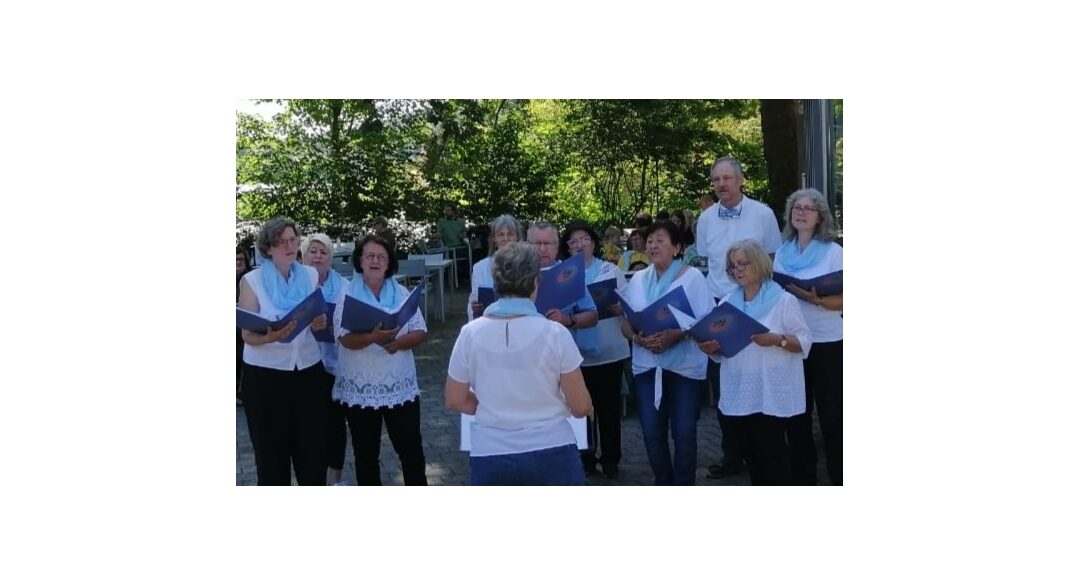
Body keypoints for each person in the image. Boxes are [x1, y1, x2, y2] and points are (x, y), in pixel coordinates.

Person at [445, 242, 594, 485]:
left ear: (496, 283)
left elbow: (454, 399)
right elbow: (579, 406)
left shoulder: (470, 333)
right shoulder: (556, 334)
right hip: (552, 449)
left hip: (491, 451)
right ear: (536, 282)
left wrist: (493, 408)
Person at [695, 156, 783, 480]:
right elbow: (708, 261)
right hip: (721, 301)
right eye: (716, 179)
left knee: (758, 371)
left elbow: (772, 257)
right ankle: (732, 453)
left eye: (728, 178)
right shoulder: (705, 219)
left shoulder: (763, 214)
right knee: (725, 381)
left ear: (741, 180)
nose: (722, 185)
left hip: (757, 299)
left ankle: (764, 448)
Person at [697, 240, 811, 485]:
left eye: (742, 264)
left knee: (773, 454)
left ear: (759, 263)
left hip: (771, 389)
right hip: (740, 390)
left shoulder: (783, 300)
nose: (737, 270)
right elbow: (721, 349)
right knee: (750, 455)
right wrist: (711, 348)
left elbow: (804, 341)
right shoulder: (727, 302)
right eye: (732, 266)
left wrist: (777, 340)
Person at [619, 220, 714, 485]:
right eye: (650, 241)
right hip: (647, 366)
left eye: (660, 240)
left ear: (677, 247)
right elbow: (626, 320)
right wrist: (636, 336)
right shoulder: (637, 279)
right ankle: (663, 481)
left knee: (684, 433)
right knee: (651, 432)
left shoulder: (693, 278)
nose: (652, 245)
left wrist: (677, 334)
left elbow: (706, 321)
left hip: (684, 367)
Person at [237, 217, 330, 486]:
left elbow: (317, 317)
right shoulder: (252, 281)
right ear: (268, 249)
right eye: (281, 242)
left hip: (308, 372)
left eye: (293, 240)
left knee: (313, 453)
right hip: (266, 379)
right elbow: (247, 335)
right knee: (271, 457)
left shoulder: (310, 275)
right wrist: (272, 336)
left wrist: (319, 321)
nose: (289, 246)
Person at [331, 235, 429, 485]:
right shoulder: (346, 293)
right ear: (360, 261)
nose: (375, 261)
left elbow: (420, 330)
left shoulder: (402, 292)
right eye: (370, 256)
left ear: (389, 264)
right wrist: (372, 336)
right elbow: (343, 339)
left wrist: (397, 343)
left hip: (399, 384)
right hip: (360, 387)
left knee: (411, 452)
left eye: (381, 257)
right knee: (366, 456)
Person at [773, 188, 843, 485]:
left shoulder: (834, 252)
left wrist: (814, 299)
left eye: (808, 208)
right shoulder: (782, 252)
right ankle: (804, 480)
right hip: (793, 342)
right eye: (796, 207)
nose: (801, 212)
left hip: (827, 340)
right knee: (796, 413)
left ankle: (840, 476)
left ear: (820, 217)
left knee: (833, 414)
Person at [560, 221, 630, 479]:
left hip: (609, 349)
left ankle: (611, 460)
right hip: (576, 354)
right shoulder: (563, 276)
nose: (579, 245)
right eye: (573, 241)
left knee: (609, 410)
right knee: (580, 410)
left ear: (594, 242)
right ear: (567, 248)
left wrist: (621, 308)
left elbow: (628, 304)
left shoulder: (610, 271)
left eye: (584, 239)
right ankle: (585, 458)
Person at [301, 233, 352, 486]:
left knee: (335, 424)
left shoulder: (343, 285)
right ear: (303, 255)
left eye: (324, 252)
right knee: (310, 426)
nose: (318, 256)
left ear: (331, 258)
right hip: (304, 364)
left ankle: (335, 480)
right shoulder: (296, 283)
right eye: (313, 251)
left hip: (335, 363)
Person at [527, 221, 600, 349]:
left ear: (557, 246)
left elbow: (593, 316)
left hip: (563, 353)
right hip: (528, 351)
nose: (542, 249)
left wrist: (567, 319)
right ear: (528, 245)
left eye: (548, 243)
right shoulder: (517, 275)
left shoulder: (571, 273)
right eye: (537, 243)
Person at [467, 214, 523, 320]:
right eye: (500, 235)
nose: (505, 239)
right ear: (494, 239)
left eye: (510, 234)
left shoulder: (527, 266)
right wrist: (474, 307)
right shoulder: (480, 268)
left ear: (518, 238)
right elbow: (472, 302)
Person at [236, 246, 252, 407]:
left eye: (241, 259)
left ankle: (242, 392)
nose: (238, 262)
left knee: (243, 355)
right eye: (235, 259)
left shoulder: (249, 278)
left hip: (243, 326)